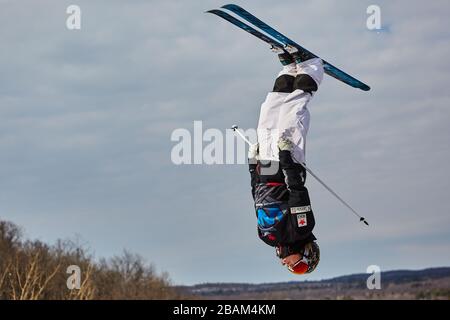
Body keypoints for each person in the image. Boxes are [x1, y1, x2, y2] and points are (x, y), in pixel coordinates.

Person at [248, 46, 324, 275]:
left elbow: (257, 198)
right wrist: (286, 157)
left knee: (268, 112)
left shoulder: (267, 237)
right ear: (307, 254)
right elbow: (297, 190)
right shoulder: (301, 230)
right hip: (286, 165)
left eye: (293, 269)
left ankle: (290, 70)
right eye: (298, 267)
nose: (289, 266)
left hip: (266, 170)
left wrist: (253, 165)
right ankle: (312, 66)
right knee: (292, 113)